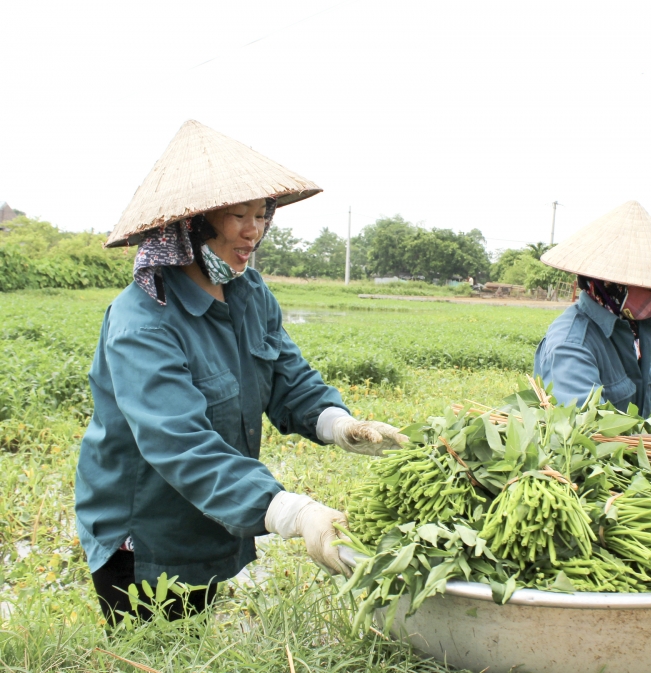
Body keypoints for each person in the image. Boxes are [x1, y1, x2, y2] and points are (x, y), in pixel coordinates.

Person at [75, 120, 405, 625]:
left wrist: (339, 422)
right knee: (157, 650)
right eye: (237, 215)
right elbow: (179, 442)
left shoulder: (248, 293)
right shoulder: (142, 320)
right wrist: (293, 512)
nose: (254, 230)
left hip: (210, 517)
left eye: (261, 215)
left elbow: (288, 374)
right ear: (190, 225)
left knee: (194, 638)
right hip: (145, 534)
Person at [534, 200, 651, 439]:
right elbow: (588, 433)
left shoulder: (632, 327)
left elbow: (640, 393)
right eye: (649, 287)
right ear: (614, 285)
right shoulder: (571, 345)